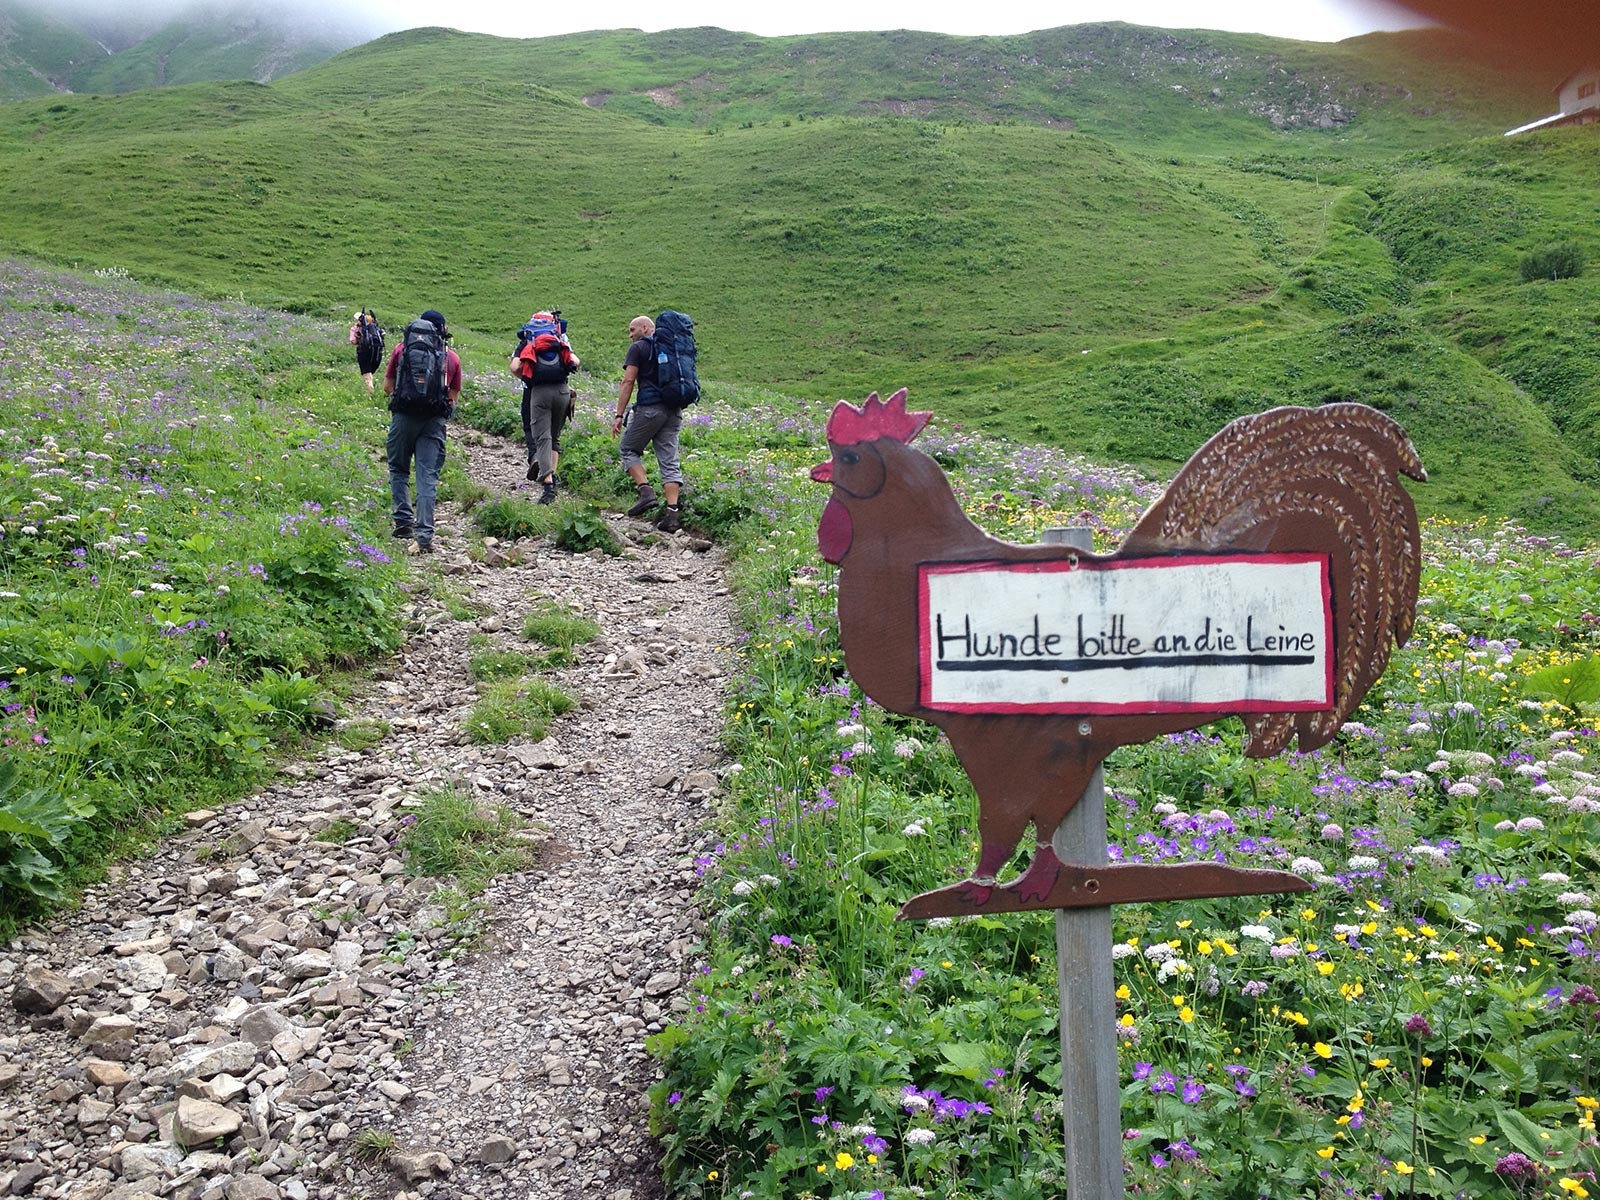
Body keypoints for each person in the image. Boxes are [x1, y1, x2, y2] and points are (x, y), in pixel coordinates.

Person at [383, 309, 462, 555]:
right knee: (427, 476)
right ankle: (425, 534)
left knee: (398, 468)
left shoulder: (401, 349)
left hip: (403, 417)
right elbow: (452, 398)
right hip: (433, 422)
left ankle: (403, 522)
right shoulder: (452, 358)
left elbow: (387, 387)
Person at [612, 315, 683, 532]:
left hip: (649, 409)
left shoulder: (638, 348)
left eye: (632, 329)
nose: (630, 334)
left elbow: (628, 380)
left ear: (646, 328)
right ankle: (672, 514)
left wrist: (618, 414)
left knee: (628, 448)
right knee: (669, 460)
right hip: (673, 409)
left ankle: (646, 492)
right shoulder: (674, 348)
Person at [511, 311, 579, 504]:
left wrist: (529, 377)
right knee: (555, 437)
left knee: (541, 437)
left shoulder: (528, 339)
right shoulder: (560, 338)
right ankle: (553, 474)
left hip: (538, 392)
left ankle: (548, 485)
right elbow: (574, 362)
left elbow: (515, 366)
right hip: (562, 391)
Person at [348, 310, 384, 391]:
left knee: (366, 373)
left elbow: (353, 341)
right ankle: (372, 389)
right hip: (377, 351)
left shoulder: (356, 328)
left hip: (364, 351)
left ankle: (370, 393)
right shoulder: (374, 328)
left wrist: (359, 338)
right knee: (370, 372)